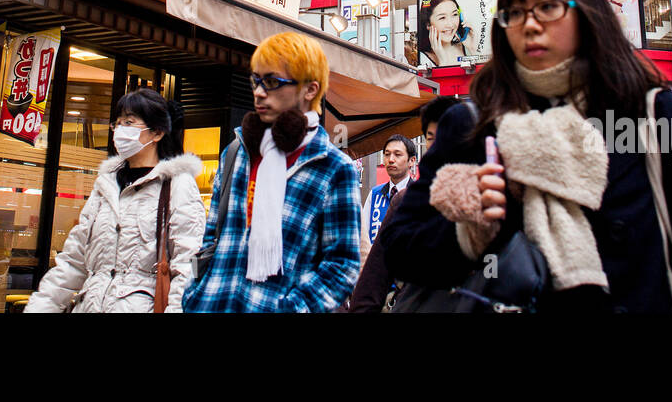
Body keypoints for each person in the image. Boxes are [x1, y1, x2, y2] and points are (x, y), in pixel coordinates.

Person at [380, 0, 672, 312]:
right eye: (514, 13)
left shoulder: (659, 120)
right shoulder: (475, 128)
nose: (529, 24)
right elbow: (399, 250)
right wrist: (469, 233)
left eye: (547, 7)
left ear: (588, 13)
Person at [182, 32, 360, 311]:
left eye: (273, 82)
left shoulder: (334, 168)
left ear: (310, 90)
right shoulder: (237, 153)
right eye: (256, 80)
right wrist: (195, 293)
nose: (259, 92)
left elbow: (342, 267)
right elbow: (211, 237)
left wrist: (292, 308)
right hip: (213, 303)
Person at [25, 88, 205, 312]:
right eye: (117, 123)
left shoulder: (176, 185)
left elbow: (186, 264)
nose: (120, 131)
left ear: (157, 133)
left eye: (129, 122)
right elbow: (73, 260)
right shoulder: (105, 186)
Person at [344, 96, 464, 313]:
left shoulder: (488, 196)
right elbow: (373, 268)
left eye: (397, 154)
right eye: (430, 137)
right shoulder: (401, 200)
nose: (390, 159)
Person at [360, 135, 416, 264]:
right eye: (387, 154)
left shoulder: (420, 195)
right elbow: (363, 237)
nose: (391, 160)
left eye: (397, 154)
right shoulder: (375, 194)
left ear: (412, 160)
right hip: (376, 271)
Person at [418, 0, 470, 68]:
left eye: (455, 14)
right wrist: (443, 62)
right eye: (442, 18)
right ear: (428, 24)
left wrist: (472, 48)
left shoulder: (466, 46)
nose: (451, 24)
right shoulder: (422, 59)